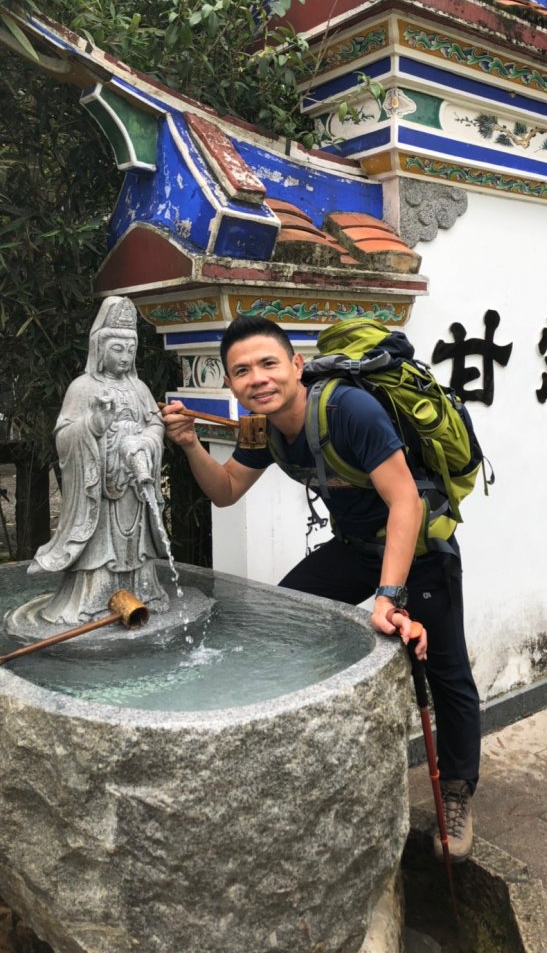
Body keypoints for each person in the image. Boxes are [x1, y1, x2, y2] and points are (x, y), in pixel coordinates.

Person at [162, 315, 481, 860]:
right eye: (241, 371)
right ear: (231, 383)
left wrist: (389, 598)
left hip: (419, 550)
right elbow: (227, 490)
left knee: (445, 671)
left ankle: (456, 792)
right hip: (356, 547)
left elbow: (406, 501)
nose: (257, 378)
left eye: (268, 363)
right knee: (283, 620)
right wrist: (192, 446)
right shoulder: (265, 428)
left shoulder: (347, 410)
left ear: (296, 366)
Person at [29, 296, 168, 623]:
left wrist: (144, 442)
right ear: (99, 349)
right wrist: (93, 426)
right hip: (100, 493)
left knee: (137, 549)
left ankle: (144, 591)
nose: (124, 357)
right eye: (117, 349)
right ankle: (91, 600)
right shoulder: (83, 387)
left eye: (130, 350)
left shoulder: (140, 388)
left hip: (134, 485)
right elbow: (64, 435)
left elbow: (156, 423)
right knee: (100, 552)